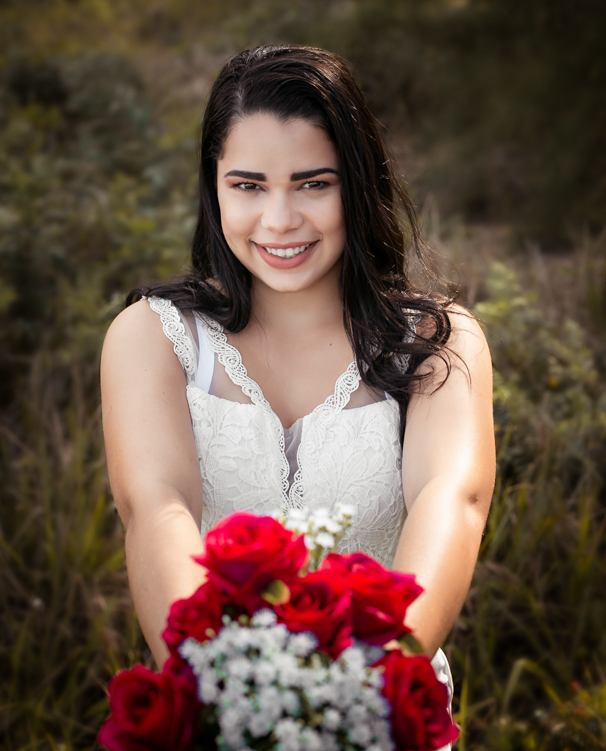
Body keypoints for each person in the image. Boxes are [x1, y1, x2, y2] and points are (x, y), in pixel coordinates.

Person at [100, 46, 495, 723]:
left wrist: (355, 700)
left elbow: (451, 503)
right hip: (214, 710)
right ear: (214, 185)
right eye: (248, 186)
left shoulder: (437, 343)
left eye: (313, 184)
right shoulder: (154, 337)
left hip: (381, 711)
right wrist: (226, 696)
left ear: (357, 181)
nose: (279, 220)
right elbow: (155, 506)